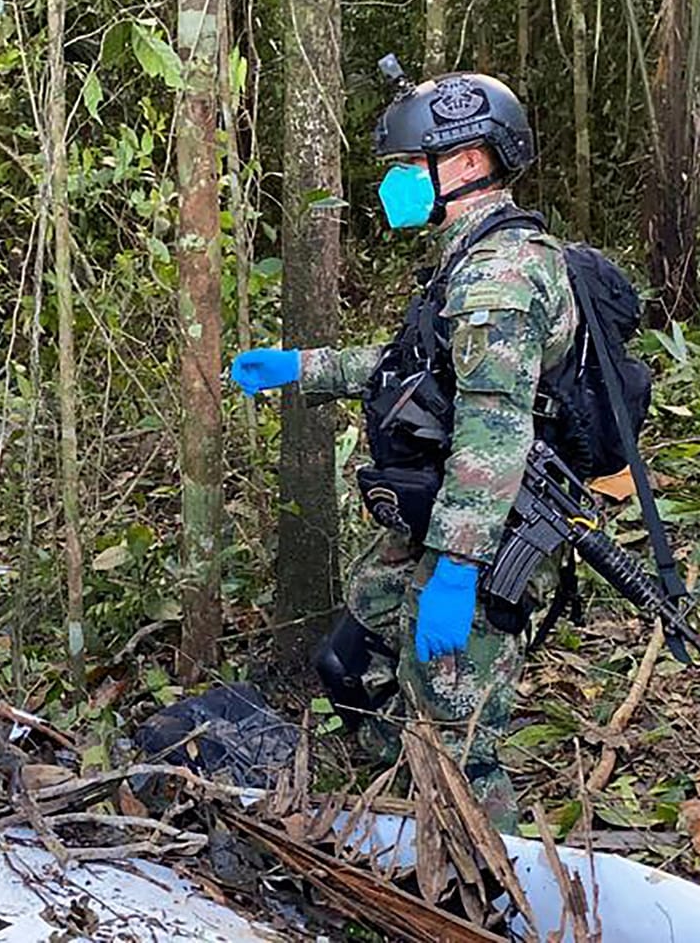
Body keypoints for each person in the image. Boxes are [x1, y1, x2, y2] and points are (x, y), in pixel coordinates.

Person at [231, 69, 572, 832]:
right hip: (435, 518)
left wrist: (455, 569)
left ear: (468, 163)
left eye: (406, 168)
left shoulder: (501, 276)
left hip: (488, 534)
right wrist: (301, 367)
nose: (394, 186)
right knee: (348, 661)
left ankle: (487, 883)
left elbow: (493, 429)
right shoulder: (469, 257)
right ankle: (406, 809)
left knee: (458, 740)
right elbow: (412, 372)